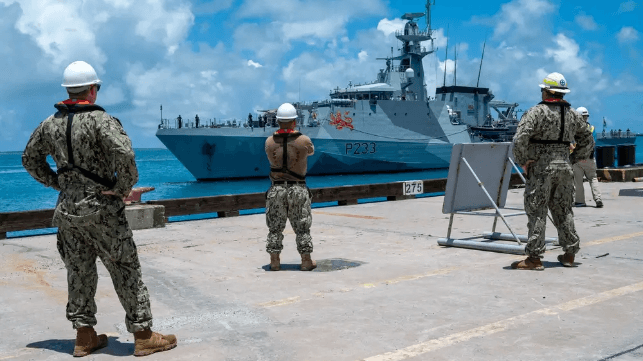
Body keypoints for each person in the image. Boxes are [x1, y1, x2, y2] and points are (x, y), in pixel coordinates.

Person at [22, 61, 177, 357]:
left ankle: (84, 336)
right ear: (93, 90)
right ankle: (143, 335)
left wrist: (56, 182)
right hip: (102, 208)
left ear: (68, 90)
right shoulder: (101, 121)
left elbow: (29, 159)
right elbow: (125, 154)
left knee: (78, 272)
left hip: (67, 210)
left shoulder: (48, 124)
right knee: (125, 268)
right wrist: (122, 189)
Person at [511, 72, 594, 270]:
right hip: (564, 167)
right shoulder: (573, 114)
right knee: (564, 210)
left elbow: (520, 138)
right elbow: (587, 140)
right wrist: (572, 158)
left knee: (537, 210)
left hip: (541, 167)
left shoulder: (536, 112)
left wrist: (523, 160)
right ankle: (569, 253)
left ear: (546, 91)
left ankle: (534, 258)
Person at [264, 103, 316, 271]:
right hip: (298, 188)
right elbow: (311, 152)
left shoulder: (269, 142)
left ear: (278, 121)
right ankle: (306, 261)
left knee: (275, 227)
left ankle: (275, 262)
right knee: (302, 226)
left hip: (276, 189)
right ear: (294, 121)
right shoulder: (304, 140)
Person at [571, 107, 603, 208]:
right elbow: (594, 142)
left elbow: (570, 143)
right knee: (593, 178)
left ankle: (580, 201)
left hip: (577, 160)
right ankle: (598, 199)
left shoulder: (574, 129)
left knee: (578, 182)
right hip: (590, 158)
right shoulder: (592, 128)